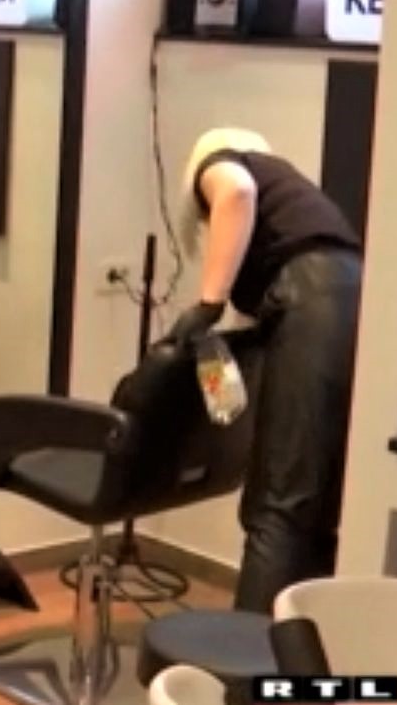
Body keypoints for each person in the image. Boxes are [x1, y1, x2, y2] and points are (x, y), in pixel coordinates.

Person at [166, 127, 363, 614]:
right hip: (356, 304)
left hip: (313, 302)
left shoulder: (222, 162)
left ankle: (246, 657)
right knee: (317, 505)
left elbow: (236, 193)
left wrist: (208, 304)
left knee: (279, 505)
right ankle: (297, 647)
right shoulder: (295, 211)